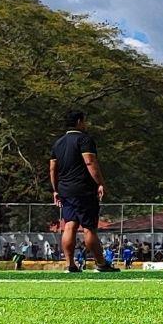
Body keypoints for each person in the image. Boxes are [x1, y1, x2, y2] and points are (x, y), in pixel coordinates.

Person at [49, 110, 117, 273]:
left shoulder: (58, 143)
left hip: (65, 189)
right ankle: (101, 264)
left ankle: (69, 264)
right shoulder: (84, 139)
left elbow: (52, 168)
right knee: (88, 228)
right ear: (79, 121)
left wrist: (55, 189)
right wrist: (100, 183)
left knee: (69, 225)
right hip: (84, 189)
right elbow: (90, 162)